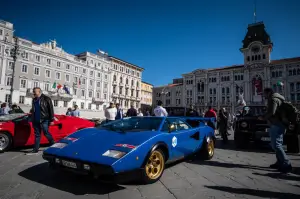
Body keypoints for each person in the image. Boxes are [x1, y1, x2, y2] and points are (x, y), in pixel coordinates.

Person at [258, 88, 292, 173]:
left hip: (276, 124)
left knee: (276, 145)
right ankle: (279, 162)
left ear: (269, 93)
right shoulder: (278, 99)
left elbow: (271, 112)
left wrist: (263, 117)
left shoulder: (273, 99)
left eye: (264, 94)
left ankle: (286, 164)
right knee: (276, 144)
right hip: (279, 124)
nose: (264, 95)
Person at [27, 87, 55, 154]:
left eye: (35, 91)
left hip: (44, 119)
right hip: (35, 120)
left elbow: (51, 109)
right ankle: (35, 149)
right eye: (33, 91)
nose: (33, 93)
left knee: (46, 133)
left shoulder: (46, 99)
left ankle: (53, 143)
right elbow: (34, 109)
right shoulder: (34, 100)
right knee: (37, 135)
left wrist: (51, 120)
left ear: (39, 92)